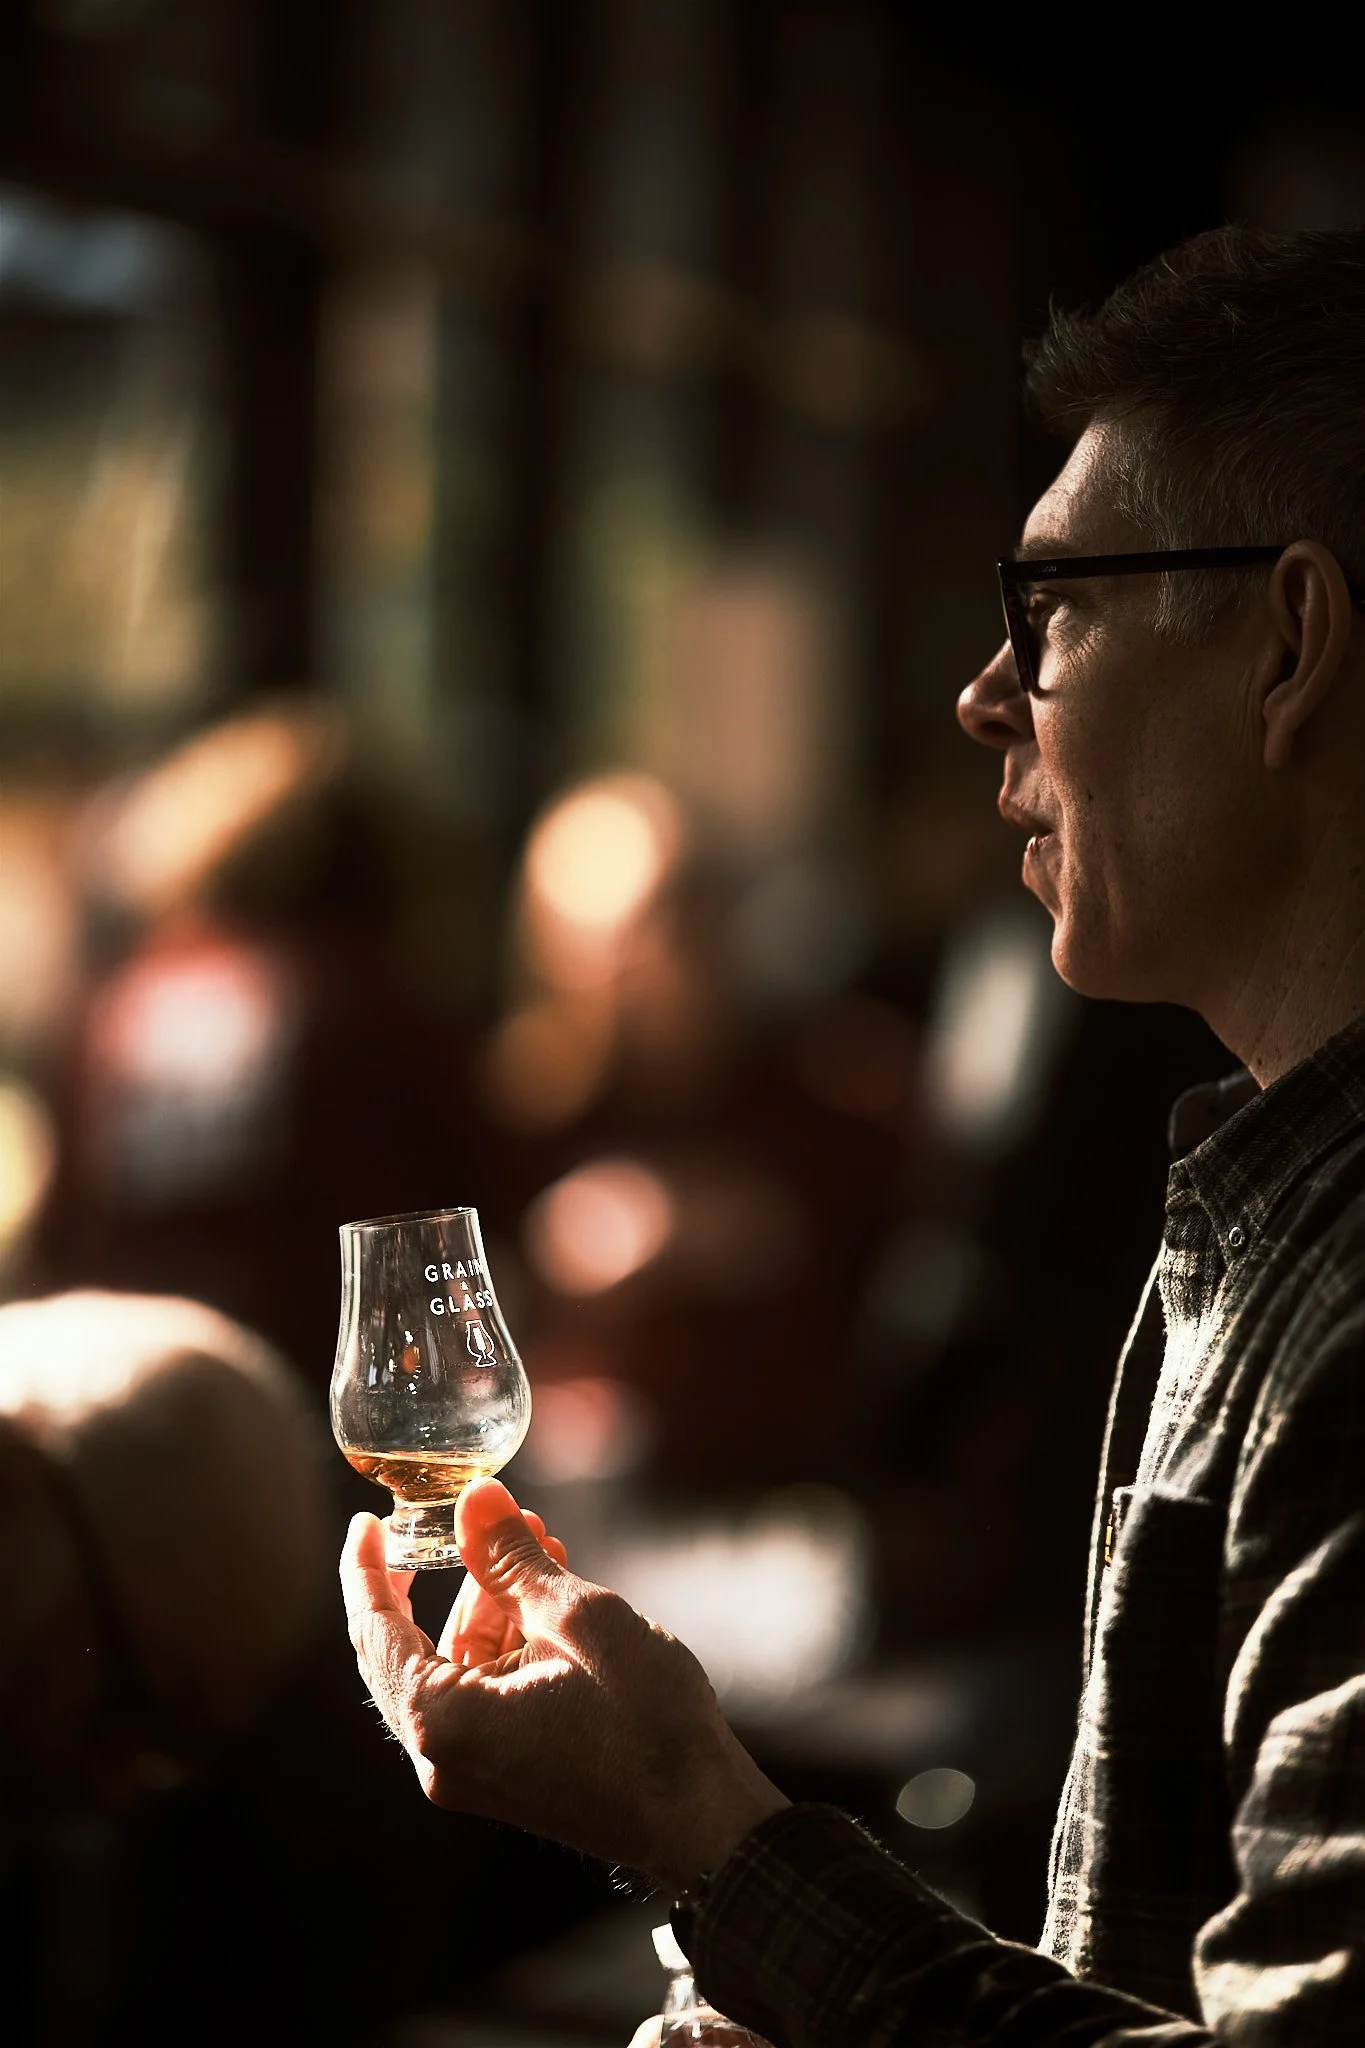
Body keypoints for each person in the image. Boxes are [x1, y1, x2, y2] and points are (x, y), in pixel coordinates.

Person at [341, 222, 1365, 2044]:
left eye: (1052, 611)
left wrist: (703, 1834)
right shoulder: (1262, 1210)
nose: (984, 694)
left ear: (1289, 644)